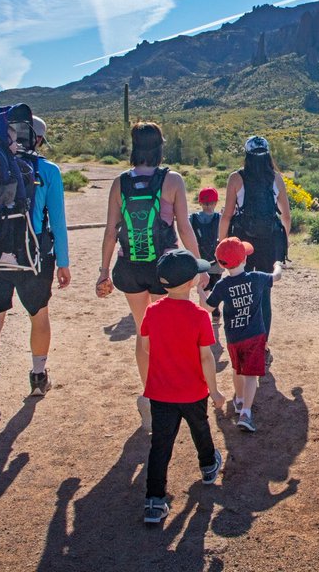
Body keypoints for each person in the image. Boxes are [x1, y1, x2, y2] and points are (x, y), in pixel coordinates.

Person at [94, 122, 204, 433]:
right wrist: (197, 264)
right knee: (166, 332)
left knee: (144, 331)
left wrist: (104, 272)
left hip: (130, 267)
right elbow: (184, 227)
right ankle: (167, 394)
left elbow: (110, 231)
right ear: (159, 147)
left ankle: (149, 397)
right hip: (163, 267)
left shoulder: (120, 183)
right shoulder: (172, 181)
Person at [0, 115, 70, 422]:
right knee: (38, 316)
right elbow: (57, 220)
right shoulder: (48, 171)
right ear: (37, 139)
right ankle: (38, 376)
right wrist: (63, 262)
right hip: (33, 256)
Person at [140, 250, 226, 524]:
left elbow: (146, 346)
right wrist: (214, 391)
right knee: (200, 429)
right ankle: (208, 466)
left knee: (160, 445)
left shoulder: (152, 312)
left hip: (161, 392)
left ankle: (154, 500)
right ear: (192, 282)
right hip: (193, 392)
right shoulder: (199, 315)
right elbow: (206, 357)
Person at [206, 237, 282, 433]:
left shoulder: (222, 285)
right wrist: (277, 265)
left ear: (221, 263)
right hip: (255, 336)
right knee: (250, 376)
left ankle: (239, 400)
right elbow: (276, 277)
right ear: (244, 260)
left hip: (233, 337)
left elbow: (207, 307)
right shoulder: (256, 278)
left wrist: (200, 290)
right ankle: (246, 413)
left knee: (237, 368)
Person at [218, 136, 291, 338]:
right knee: (264, 292)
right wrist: (284, 243)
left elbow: (227, 215)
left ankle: (243, 337)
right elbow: (285, 215)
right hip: (270, 241)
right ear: (267, 154)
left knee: (242, 287)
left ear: (247, 155)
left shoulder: (236, 178)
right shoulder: (276, 178)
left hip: (244, 242)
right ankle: (263, 344)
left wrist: (221, 243)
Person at [189, 187, 223, 316]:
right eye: (207, 203)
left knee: (209, 288)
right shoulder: (218, 217)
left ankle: (208, 311)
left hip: (208, 262)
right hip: (208, 261)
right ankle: (208, 311)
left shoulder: (192, 218)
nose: (209, 206)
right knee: (209, 288)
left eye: (210, 203)